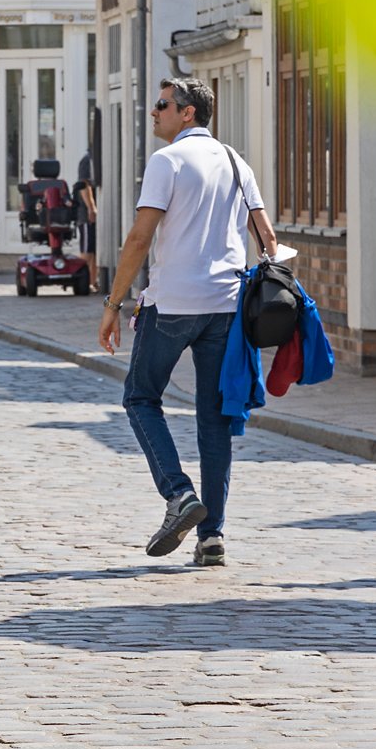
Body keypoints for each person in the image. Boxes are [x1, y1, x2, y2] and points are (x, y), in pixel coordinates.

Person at [98, 76, 276, 568]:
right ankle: (212, 536)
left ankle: (179, 494)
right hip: (225, 306)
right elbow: (268, 236)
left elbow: (139, 238)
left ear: (188, 113)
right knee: (214, 419)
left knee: (140, 396)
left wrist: (113, 304)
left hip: (173, 303)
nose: (154, 112)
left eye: (162, 105)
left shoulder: (167, 160)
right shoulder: (237, 162)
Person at [73, 152, 99, 286]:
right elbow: (84, 184)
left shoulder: (97, 158)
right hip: (87, 215)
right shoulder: (87, 160)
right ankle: (76, 280)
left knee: (95, 252)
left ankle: (92, 282)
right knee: (87, 252)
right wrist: (91, 207)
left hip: (96, 216)